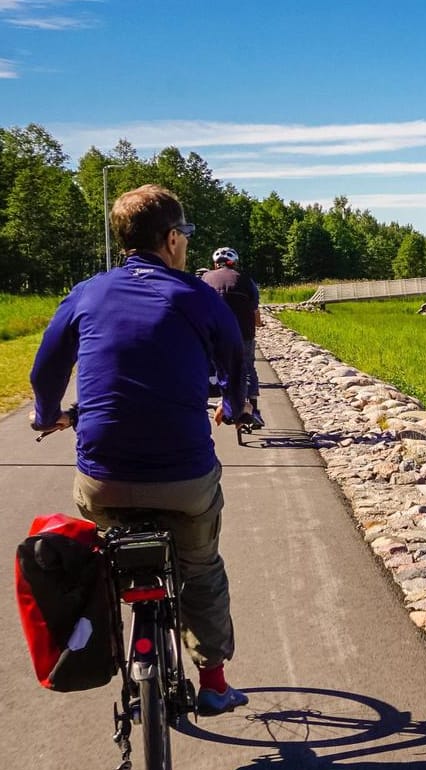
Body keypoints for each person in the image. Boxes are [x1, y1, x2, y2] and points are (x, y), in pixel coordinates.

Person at [30, 184, 251, 716]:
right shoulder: (197, 295)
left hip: (103, 477)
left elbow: (46, 371)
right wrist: (234, 406)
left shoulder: (86, 293)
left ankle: (104, 639)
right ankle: (215, 684)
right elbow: (237, 364)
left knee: (102, 561)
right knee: (200, 568)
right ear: (172, 239)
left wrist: (45, 415)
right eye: (185, 237)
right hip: (185, 478)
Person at [200, 245, 264, 429]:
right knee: (248, 367)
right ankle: (253, 410)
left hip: (214, 333)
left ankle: (216, 401)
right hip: (243, 333)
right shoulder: (246, 280)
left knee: (212, 365)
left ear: (215, 264)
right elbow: (254, 310)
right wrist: (258, 324)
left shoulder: (205, 278)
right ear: (234, 262)